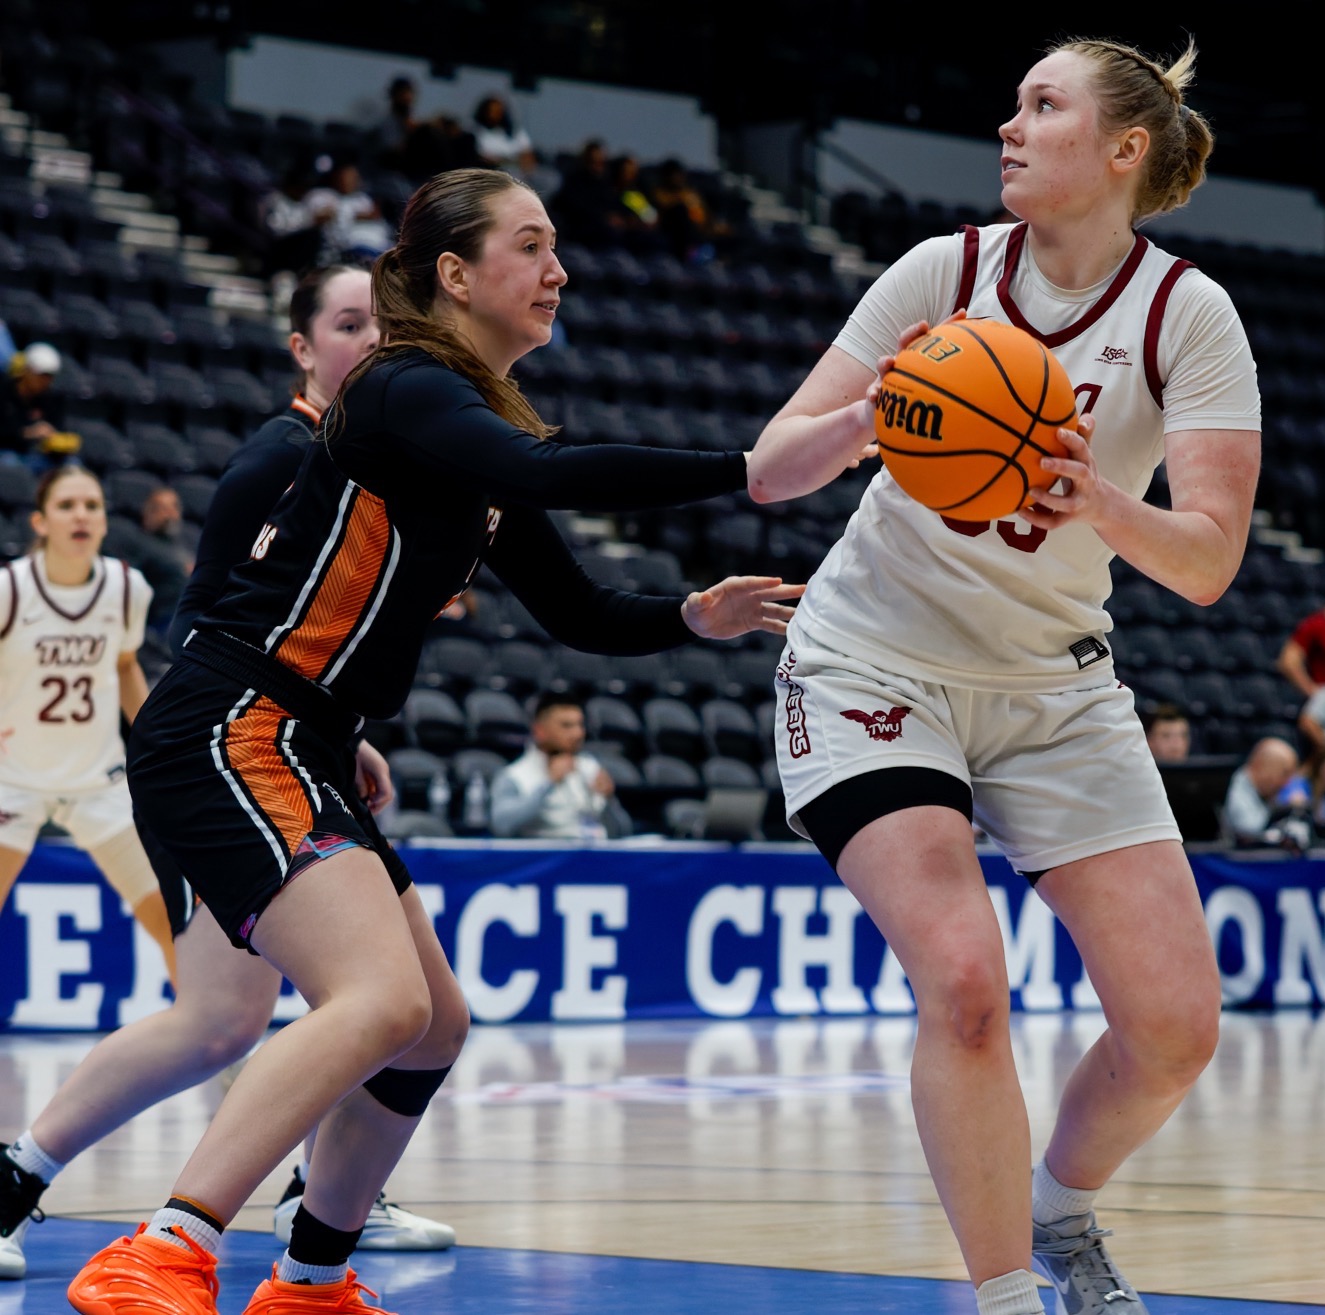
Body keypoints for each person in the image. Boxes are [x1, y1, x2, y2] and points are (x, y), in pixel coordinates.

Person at [59, 168, 869, 1313]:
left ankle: (310, 1281)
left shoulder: (474, 431)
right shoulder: (401, 389)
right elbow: (545, 471)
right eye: (531, 247)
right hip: (235, 717)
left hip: (310, 738)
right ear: (453, 274)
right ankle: (164, 1246)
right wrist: (748, 470)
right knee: (375, 1001)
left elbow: (578, 609)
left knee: (432, 1025)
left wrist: (690, 615)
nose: (559, 269)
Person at [755, 38, 1258, 1315]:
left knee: (1173, 1029)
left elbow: (1205, 562)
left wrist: (1097, 496)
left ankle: (1059, 1207)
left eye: (1044, 106)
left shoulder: (1183, 314)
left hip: (1052, 685)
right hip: (875, 662)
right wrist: (888, 410)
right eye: (1018, 103)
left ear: (1123, 149)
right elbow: (770, 470)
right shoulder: (945, 273)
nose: (1010, 124)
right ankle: (1001, 1298)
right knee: (967, 985)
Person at [0, 266, 461, 1290]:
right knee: (375, 1000)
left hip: (269, 746)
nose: (371, 341)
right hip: (222, 753)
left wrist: (342, 733)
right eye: (348, 325)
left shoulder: (370, 458)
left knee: (219, 1016)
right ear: (301, 349)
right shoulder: (288, 456)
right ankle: (264, 1217)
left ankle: (22, 1175)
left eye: (385, 326)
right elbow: (213, 627)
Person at [0, 467, 169, 978]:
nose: (82, 516)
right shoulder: (9, 589)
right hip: (12, 782)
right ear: (40, 521)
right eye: (68, 505)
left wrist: (154, 742)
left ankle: (211, 1042)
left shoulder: (126, 589)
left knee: (169, 920)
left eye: (92, 506)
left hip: (99, 782)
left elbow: (123, 665)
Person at [490, 693, 630, 839]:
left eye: (580, 725)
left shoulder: (590, 767)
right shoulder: (515, 775)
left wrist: (609, 800)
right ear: (540, 731)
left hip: (593, 857)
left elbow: (622, 832)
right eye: (566, 726)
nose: (578, 733)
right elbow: (501, 826)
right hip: (548, 858)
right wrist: (548, 784)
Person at [124, 487, 194, 633]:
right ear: (147, 513)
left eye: (174, 507)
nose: (170, 514)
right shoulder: (137, 542)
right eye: (161, 509)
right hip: (161, 621)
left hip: (194, 616)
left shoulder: (187, 540)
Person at [304, 163, 393, 261]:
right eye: (347, 177)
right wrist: (355, 215)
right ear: (336, 177)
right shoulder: (322, 195)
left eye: (355, 177)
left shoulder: (362, 198)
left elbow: (376, 215)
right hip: (351, 250)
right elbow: (318, 218)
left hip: (381, 246)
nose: (352, 181)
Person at [1224, 737, 1302, 846]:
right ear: (1263, 765)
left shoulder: (1266, 792)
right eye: (1284, 773)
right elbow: (1249, 829)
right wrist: (1279, 812)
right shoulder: (1235, 786)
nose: (1286, 783)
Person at [1, 343, 70, 464]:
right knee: (9, 461)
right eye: (41, 375)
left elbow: (58, 428)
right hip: (8, 452)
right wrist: (27, 433)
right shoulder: (4, 392)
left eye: (49, 376)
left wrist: (53, 437)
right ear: (27, 370)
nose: (45, 381)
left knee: (72, 464)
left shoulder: (51, 399)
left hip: (37, 455)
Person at [470, 95, 536, 178]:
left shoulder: (514, 130)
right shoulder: (477, 131)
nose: (495, 115)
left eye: (498, 111)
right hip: (496, 172)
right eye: (492, 111)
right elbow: (486, 158)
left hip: (521, 170)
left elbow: (527, 153)